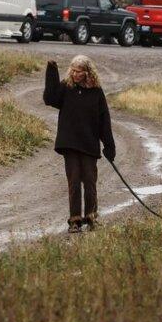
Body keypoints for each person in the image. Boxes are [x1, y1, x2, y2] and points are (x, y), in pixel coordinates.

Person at [43, 55, 116, 233]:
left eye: (79, 72)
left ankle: (91, 217)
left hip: (89, 143)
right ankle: (74, 221)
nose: (75, 74)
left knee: (90, 182)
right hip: (70, 143)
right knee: (74, 181)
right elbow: (50, 98)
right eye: (73, 71)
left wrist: (109, 145)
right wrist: (52, 72)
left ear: (87, 73)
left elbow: (104, 120)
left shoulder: (96, 92)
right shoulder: (66, 87)